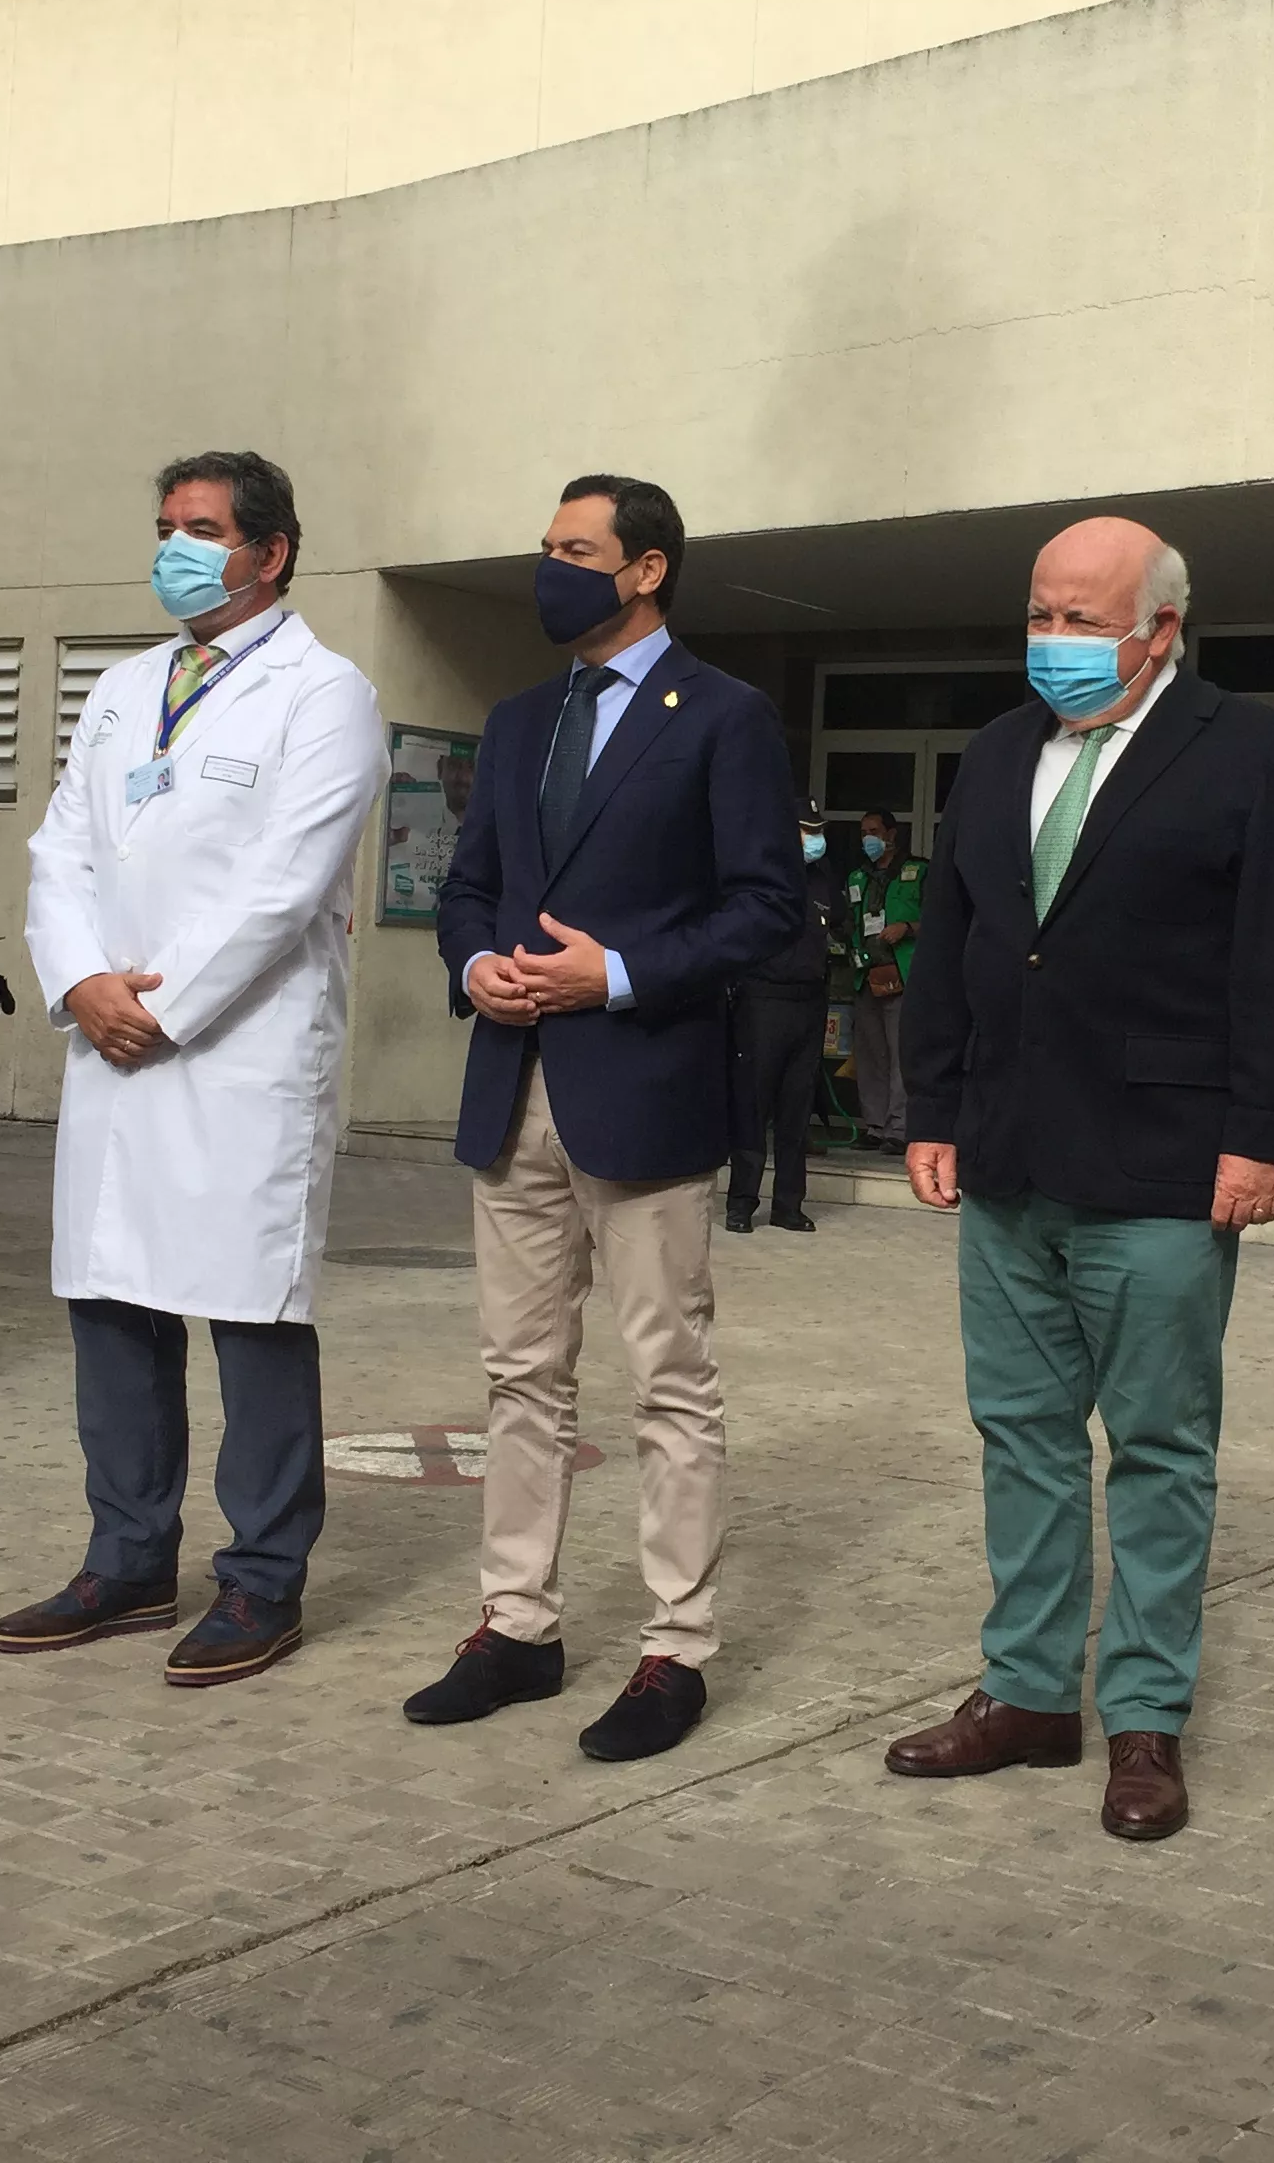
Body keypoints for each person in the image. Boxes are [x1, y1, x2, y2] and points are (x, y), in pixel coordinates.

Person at [883, 516, 1274, 1844]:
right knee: (1020, 1435)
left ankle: (1143, 1720)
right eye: (1041, 612)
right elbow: (952, 937)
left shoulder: (1250, 753)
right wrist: (935, 1103)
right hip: (1010, 1160)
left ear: (1163, 630)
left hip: (1164, 1167)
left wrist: (1260, 1137)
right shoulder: (999, 751)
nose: (1055, 640)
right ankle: (1026, 1695)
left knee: (1158, 1448)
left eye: (1084, 618)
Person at [413, 473, 797, 1763]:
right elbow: (471, 891)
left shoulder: (726, 718)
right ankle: (516, 1626)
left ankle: (675, 1648)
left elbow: (764, 910)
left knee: (668, 1384)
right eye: (546, 546)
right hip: (512, 1092)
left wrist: (615, 973)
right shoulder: (520, 721)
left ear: (646, 571)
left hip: (646, 1095)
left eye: (577, 549)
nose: (550, 568)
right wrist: (479, 968)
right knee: (520, 1378)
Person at [0, 450, 385, 1688]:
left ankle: (263, 1577)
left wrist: (161, 1008)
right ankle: (128, 1557)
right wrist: (79, 985)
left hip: (237, 1050)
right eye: (164, 524)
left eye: (201, 529)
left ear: (268, 552)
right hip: (112, 1037)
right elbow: (58, 850)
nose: (173, 545)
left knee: (248, 1305)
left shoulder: (326, 694)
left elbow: (288, 883)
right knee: (112, 1295)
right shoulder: (121, 689)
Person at [727, 797, 840, 1236]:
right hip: (763, 1001)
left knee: (797, 1110)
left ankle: (788, 1205)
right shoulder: (760, 878)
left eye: (817, 830)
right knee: (754, 1107)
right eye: (805, 830)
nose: (814, 839)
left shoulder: (824, 878)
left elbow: (839, 929)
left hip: (810, 1002)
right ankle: (741, 1202)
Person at [843, 807, 923, 1152]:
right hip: (866, 976)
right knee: (871, 1054)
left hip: (902, 975)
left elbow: (943, 919)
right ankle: (874, 1126)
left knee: (900, 1055)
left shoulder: (917, 871)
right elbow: (847, 922)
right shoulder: (856, 877)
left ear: (891, 833)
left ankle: (899, 1129)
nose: (868, 838)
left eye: (874, 831)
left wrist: (907, 928)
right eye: (863, 833)